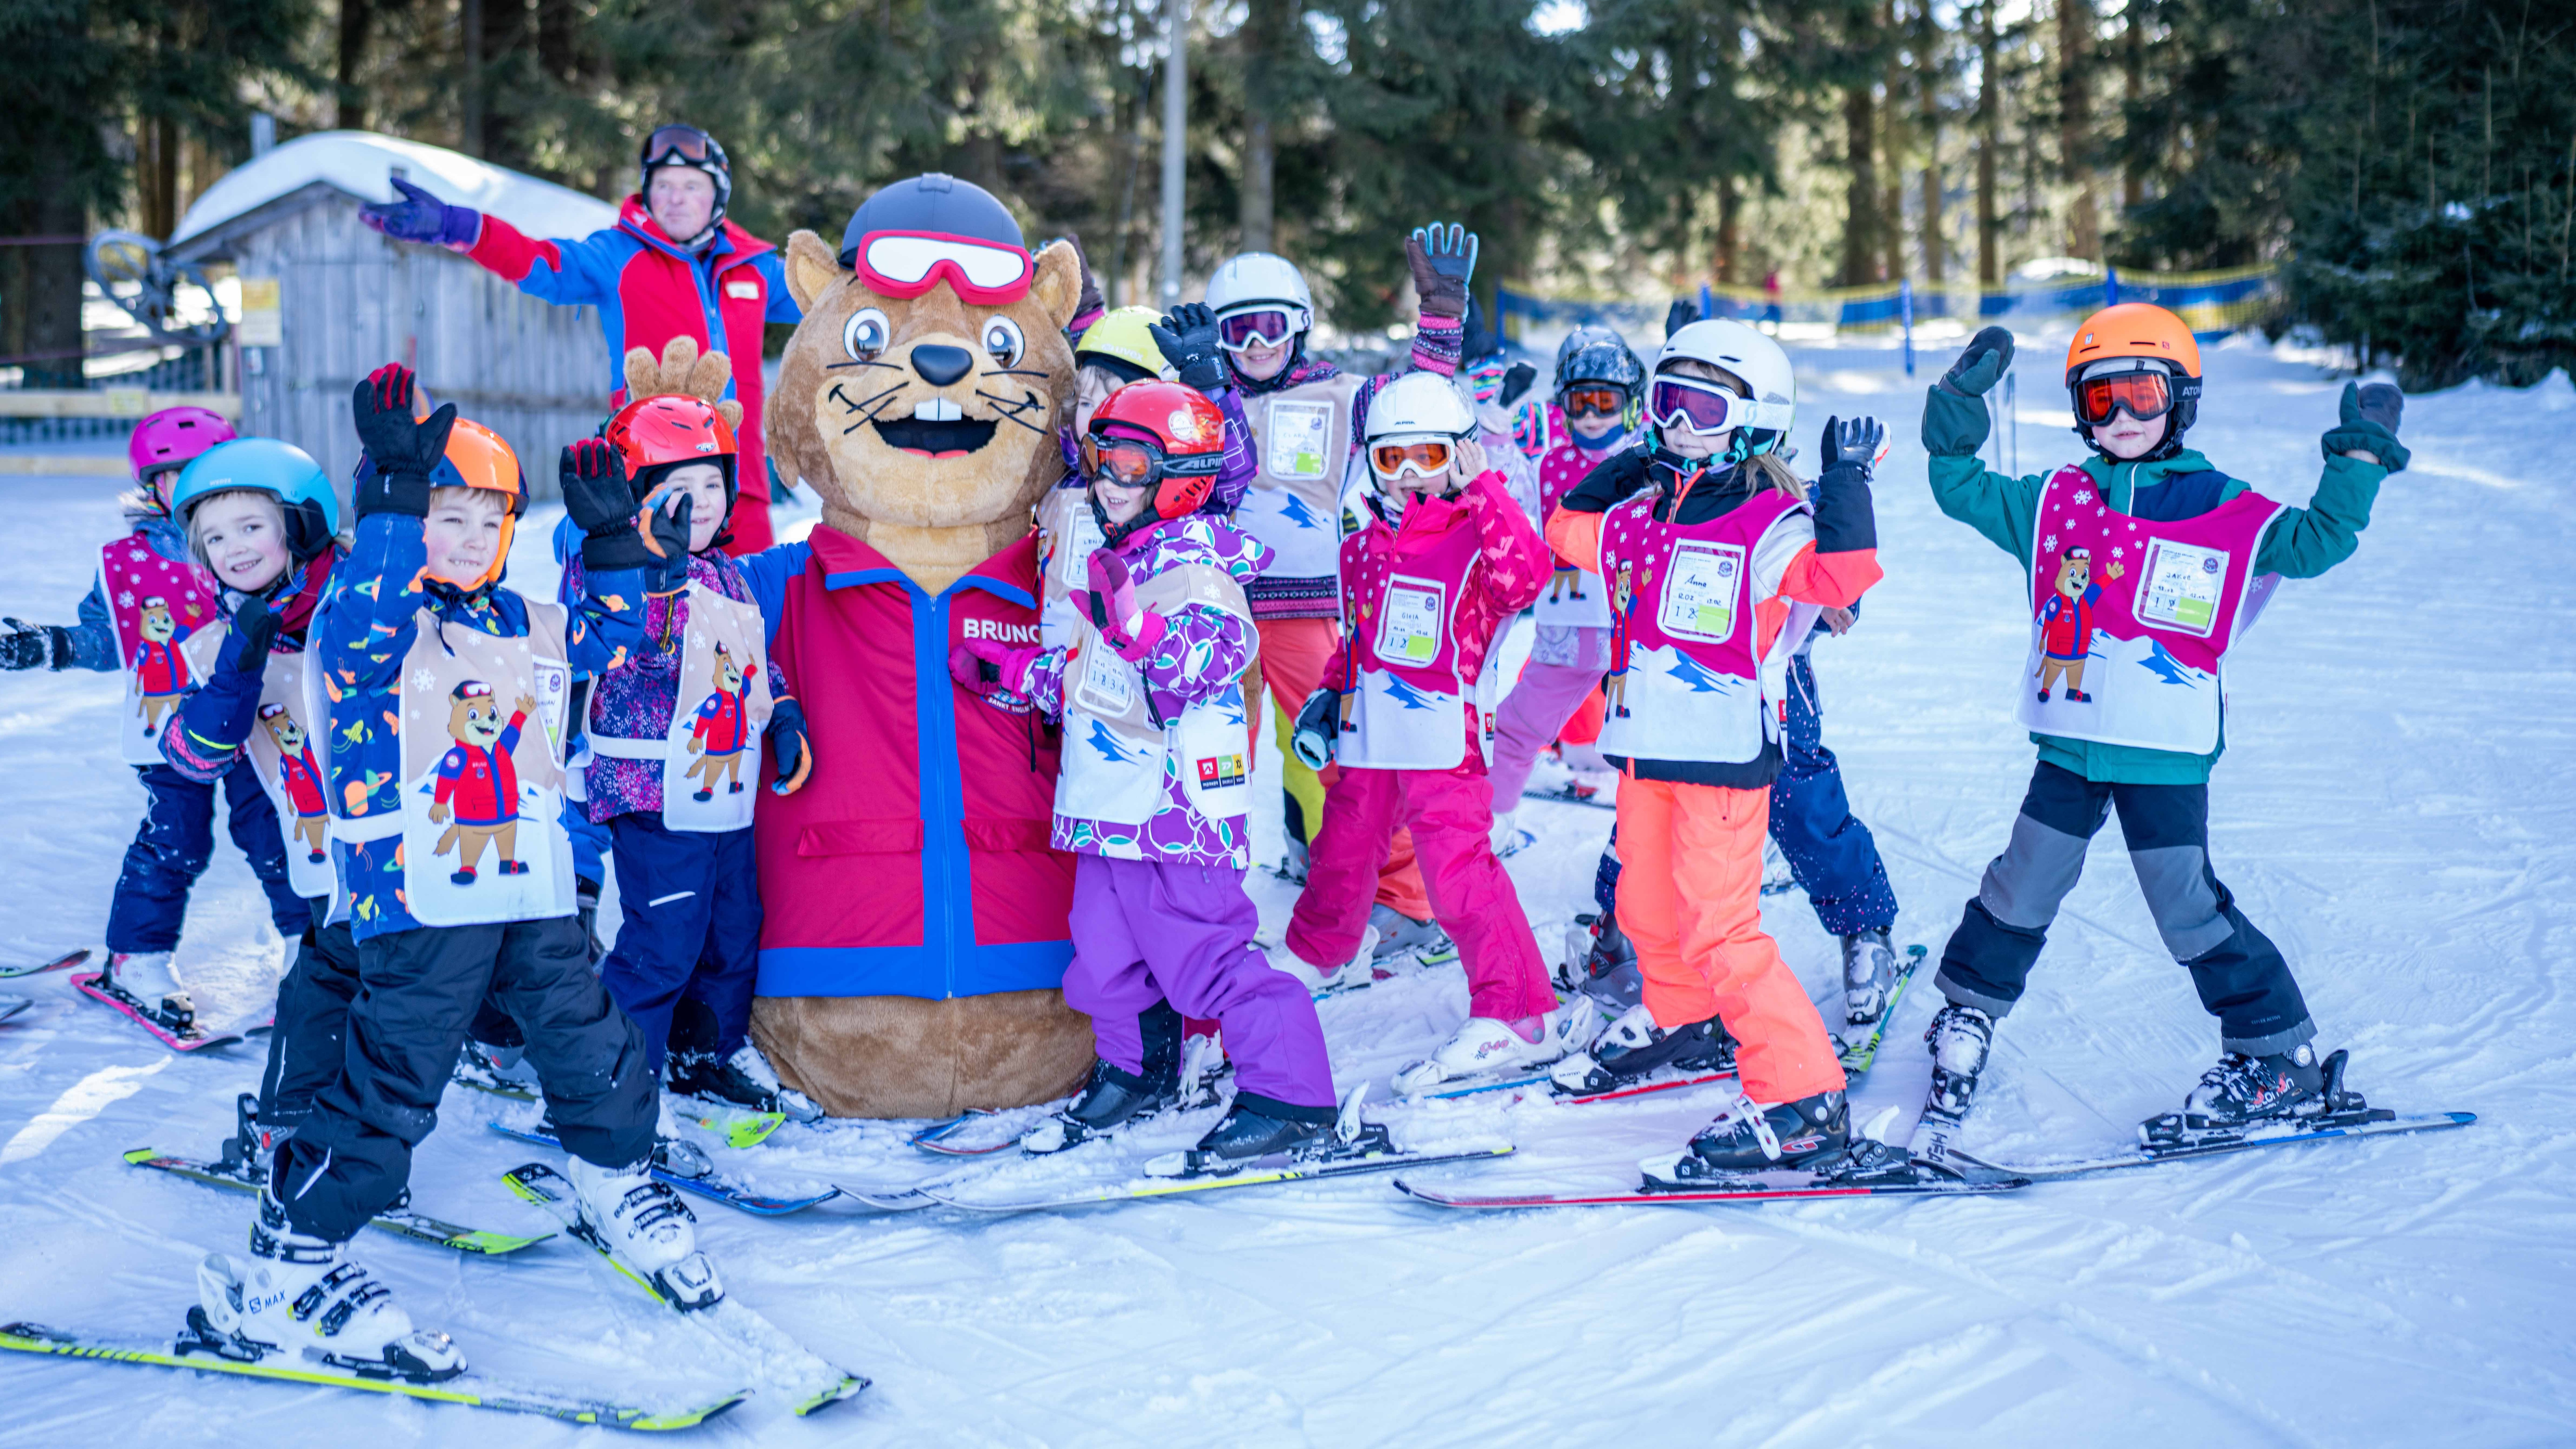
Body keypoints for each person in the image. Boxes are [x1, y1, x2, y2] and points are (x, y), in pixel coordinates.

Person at [203, 364, 696, 1381]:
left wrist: (616, 547)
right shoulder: (363, 618)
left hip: (532, 880)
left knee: (582, 1031)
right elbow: (371, 618)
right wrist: (389, 495)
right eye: (444, 516)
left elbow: (614, 640)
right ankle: (292, 1263)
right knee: (397, 1075)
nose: (467, 540)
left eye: (489, 521)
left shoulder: (517, 617)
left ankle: (612, 1171)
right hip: (418, 895)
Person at [1914, 306, 2408, 1146]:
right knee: (2020, 884)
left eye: (2141, 397)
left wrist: (2357, 454)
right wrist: (1959, 400)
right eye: (2099, 401)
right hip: (2069, 745)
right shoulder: (2053, 501)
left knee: (2184, 903)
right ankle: (1966, 1015)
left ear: (2179, 401)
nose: (2121, 419)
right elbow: (1955, 482)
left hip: (2163, 750)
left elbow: (2319, 541)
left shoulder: (2221, 506)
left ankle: (2276, 1053)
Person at [953, 380, 1342, 1164]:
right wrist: (1006, 674)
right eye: (1103, 458)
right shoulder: (1118, 556)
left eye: (1131, 464)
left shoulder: (1202, 571)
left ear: (1183, 480)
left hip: (1176, 816)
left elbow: (1204, 660)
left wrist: (1138, 628)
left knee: (1204, 961)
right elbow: (1088, 675)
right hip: (1108, 807)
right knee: (1102, 953)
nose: (1109, 479)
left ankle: (1291, 1096)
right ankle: (1137, 1071)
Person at [1541, 319, 1885, 1181]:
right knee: (1648, 911)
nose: (1678, 421)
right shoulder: (1641, 515)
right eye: (1666, 401)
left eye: (1702, 404)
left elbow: (1838, 581)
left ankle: (1803, 1093)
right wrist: (1619, 467)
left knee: (1720, 926)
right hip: (1642, 755)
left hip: (1724, 761)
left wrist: (1844, 483)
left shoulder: (1768, 522)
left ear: (1753, 419)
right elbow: (1563, 532)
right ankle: (1683, 1014)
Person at [1281, 341, 1593, 1096]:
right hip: (1368, 736)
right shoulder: (1361, 547)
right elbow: (1359, 640)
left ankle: (1520, 1013)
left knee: (1457, 873)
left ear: (1457, 455)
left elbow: (1525, 576)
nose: (1410, 477)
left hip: (1442, 740)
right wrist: (1329, 692)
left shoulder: (1475, 536)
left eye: (1426, 457)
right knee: (1341, 851)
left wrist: (1480, 483)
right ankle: (1323, 953)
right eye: (1392, 461)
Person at [0, 407, 308, 1033]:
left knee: (277, 833)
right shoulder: (128, 562)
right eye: (176, 476)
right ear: (152, 485)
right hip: (169, 729)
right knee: (177, 839)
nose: (194, 487)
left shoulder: (260, 542)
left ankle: (309, 951)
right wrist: (50, 646)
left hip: (258, 724)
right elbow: (105, 635)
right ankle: (137, 958)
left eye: (210, 472)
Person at [559, 390, 819, 1120]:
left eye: (712, 484)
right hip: (652, 795)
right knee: (663, 942)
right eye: (677, 488)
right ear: (635, 493)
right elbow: (641, 653)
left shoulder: (727, 572)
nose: (699, 503)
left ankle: (706, 1051)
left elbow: (748, 657)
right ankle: (615, 1080)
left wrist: (784, 713)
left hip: (721, 786)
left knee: (732, 931)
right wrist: (661, 573)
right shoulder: (616, 571)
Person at [359, 124, 800, 552]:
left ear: (718, 195)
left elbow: (827, 300)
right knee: (656, 616)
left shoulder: (753, 269)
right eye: (663, 185)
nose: (677, 199)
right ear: (647, 192)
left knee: (754, 615)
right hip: (651, 481)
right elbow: (541, 264)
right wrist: (462, 228)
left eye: (692, 185)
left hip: (741, 488)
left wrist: (867, 260)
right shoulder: (618, 256)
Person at [1200, 247, 1438, 961]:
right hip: (1212, 605)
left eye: (1270, 327)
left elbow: (1416, 405)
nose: (1256, 346)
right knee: (1207, 758)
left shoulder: (1340, 394)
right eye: (1238, 330)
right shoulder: (1205, 393)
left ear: (1299, 326)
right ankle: (1203, 900)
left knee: (1339, 752)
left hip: (1303, 606)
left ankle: (1405, 896)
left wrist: (1440, 323)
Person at [150, 438, 351, 1133]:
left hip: (404, 836)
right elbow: (193, 756)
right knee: (321, 975)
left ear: (301, 525)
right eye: (213, 538)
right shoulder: (215, 644)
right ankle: (288, 1119)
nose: (231, 549)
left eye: (251, 527)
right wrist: (240, 665)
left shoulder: (363, 604)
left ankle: (499, 1045)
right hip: (304, 850)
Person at [1485, 325, 1644, 846]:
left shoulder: (1648, 460)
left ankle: (1649, 851)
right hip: (1567, 631)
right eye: (1581, 404)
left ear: (1629, 406)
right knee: (1513, 728)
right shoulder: (1550, 464)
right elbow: (1507, 495)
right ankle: (1491, 828)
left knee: (1653, 747)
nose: (1593, 415)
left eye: (1605, 402)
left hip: (1635, 634)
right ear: (1563, 407)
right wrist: (1496, 427)